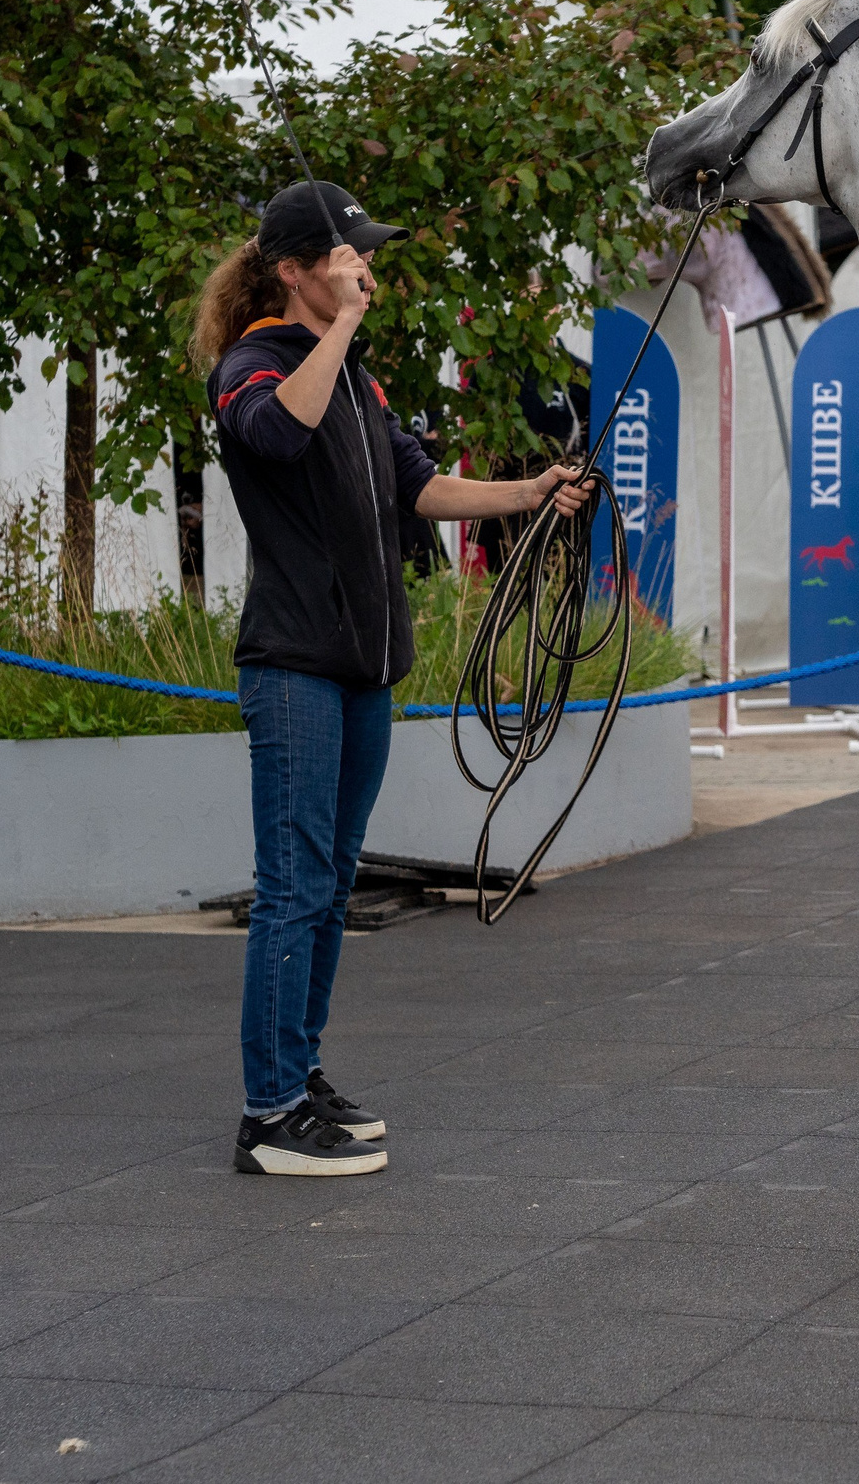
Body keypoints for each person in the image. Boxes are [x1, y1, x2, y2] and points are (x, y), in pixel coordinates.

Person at [191, 181, 591, 1176]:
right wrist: (342, 331)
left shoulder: (355, 378)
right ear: (295, 272)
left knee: (326, 888)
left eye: (366, 252)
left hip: (366, 669)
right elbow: (279, 432)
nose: (366, 266)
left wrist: (530, 493)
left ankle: (303, 1074)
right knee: (291, 889)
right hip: (294, 669)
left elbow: (420, 486)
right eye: (347, 255)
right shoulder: (255, 366)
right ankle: (267, 1113)